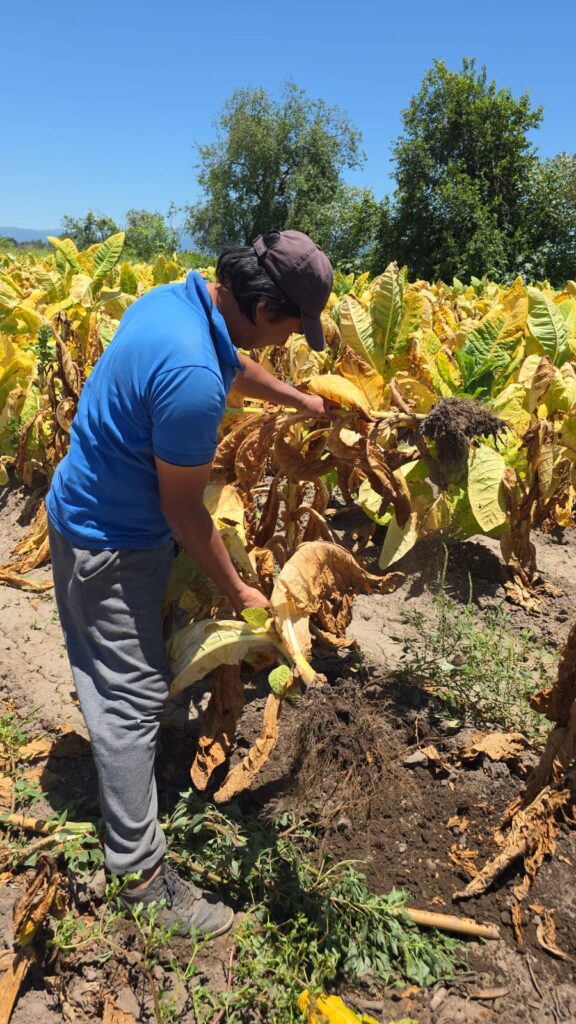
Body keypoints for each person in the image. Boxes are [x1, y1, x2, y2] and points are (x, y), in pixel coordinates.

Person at [46, 229, 336, 937]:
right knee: (125, 703)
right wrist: (241, 592)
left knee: (135, 672)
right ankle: (141, 877)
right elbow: (184, 510)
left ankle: (146, 745)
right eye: (292, 324)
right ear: (264, 307)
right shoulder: (191, 378)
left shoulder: (176, 301)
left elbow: (234, 364)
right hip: (109, 542)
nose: (291, 338)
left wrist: (298, 400)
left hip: (94, 512)